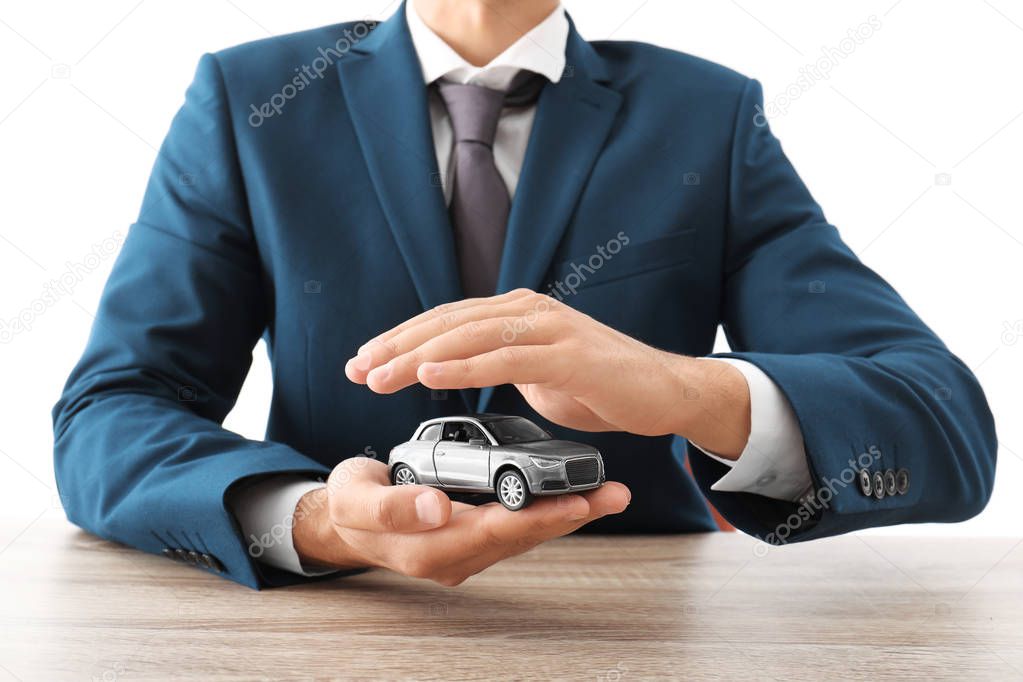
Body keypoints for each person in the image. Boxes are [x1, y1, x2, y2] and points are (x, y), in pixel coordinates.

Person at [53, 0, 997, 589]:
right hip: (337, 623)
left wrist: (686, 388)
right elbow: (112, 411)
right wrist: (314, 521)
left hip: (645, 630)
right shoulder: (252, 99)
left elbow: (940, 420)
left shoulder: (704, 116)